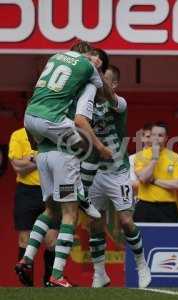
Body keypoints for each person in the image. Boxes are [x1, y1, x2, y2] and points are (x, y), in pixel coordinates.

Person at [15, 41, 112, 287]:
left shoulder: (54, 64)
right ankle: (57, 275)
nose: (95, 62)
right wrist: (101, 147)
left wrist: (35, 147)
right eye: (94, 58)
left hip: (41, 146)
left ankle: (26, 259)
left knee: (50, 210)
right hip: (60, 148)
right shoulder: (89, 82)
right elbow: (82, 117)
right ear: (87, 57)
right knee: (70, 211)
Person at [82, 65, 151, 288]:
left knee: (125, 221)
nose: (98, 83)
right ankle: (100, 273)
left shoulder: (118, 103)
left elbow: (109, 96)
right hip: (93, 172)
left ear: (113, 85)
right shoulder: (85, 103)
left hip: (117, 171)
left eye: (103, 80)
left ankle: (142, 265)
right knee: (95, 223)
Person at [9, 128, 58, 287]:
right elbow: (17, 167)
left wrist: (30, 159)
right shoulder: (18, 135)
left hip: (50, 191)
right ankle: (27, 286)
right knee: (25, 239)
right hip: (27, 192)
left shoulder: (53, 134)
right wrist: (41, 158)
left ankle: (49, 281)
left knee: (52, 241)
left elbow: (58, 164)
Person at [134, 122, 178, 223]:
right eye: (153, 135)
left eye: (160, 135)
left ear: (166, 138)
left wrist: (154, 181)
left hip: (168, 207)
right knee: (143, 238)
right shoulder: (140, 156)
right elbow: (143, 178)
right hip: (145, 206)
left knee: (170, 238)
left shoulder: (175, 157)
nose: (156, 138)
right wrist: (154, 158)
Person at [129, 124, 153, 195]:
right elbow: (132, 184)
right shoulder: (132, 158)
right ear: (142, 138)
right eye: (148, 136)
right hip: (140, 201)